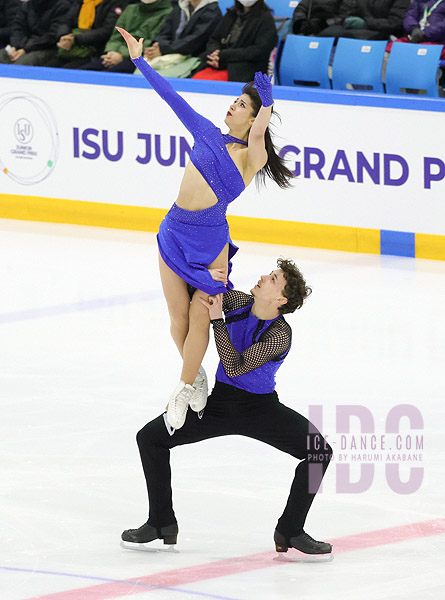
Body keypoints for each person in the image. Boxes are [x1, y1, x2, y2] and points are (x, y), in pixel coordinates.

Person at [116, 26, 293, 430]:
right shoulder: (205, 132)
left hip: (211, 239)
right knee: (177, 319)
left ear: (251, 117)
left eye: (241, 105)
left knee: (201, 317)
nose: (232, 106)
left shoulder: (252, 157)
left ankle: (180, 389)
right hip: (174, 231)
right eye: (235, 100)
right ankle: (195, 376)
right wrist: (140, 61)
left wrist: (267, 105)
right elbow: (171, 97)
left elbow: (262, 133)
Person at [121, 259, 333, 556]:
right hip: (219, 404)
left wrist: (218, 320)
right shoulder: (238, 301)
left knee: (319, 452)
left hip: (261, 410)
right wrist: (207, 278)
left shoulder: (279, 335)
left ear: (280, 300)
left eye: (272, 278)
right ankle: (161, 522)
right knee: (150, 438)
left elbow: (235, 367)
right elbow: (200, 293)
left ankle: (290, 529)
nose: (263, 276)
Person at [193, 0, 278, 82]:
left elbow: (259, 51)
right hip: (220, 63)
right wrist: (214, 54)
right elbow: (214, 39)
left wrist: (223, 56)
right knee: (196, 78)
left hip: (246, 68)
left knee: (208, 82)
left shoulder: (265, 19)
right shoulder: (231, 14)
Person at [81, 0, 173, 73]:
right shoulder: (131, 8)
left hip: (139, 57)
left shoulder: (168, 12)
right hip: (115, 54)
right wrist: (111, 52)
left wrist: (121, 55)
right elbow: (116, 36)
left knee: (111, 74)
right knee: (86, 70)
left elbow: (152, 41)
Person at [141, 0, 222, 78]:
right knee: (141, 70)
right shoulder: (179, 7)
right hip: (170, 53)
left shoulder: (213, 12)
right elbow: (164, 31)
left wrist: (163, 49)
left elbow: (194, 42)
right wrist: (158, 46)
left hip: (194, 58)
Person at [43, 0, 131, 70]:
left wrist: (76, 39)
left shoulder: (116, 3)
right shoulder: (80, 2)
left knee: (67, 73)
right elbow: (65, 21)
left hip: (94, 51)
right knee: (46, 70)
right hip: (69, 48)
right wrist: (64, 36)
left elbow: (107, 30)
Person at [0, 0, 70, 66]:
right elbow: (17, 28)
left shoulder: (62, 6)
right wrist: (16, 46)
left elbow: (52, 36)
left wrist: (25, 49)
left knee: (23, 63)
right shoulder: (28, 5)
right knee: (2, 55)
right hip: (24, 45)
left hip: (48, 47)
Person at [318, 0, 409, 40]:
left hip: (384, 32)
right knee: (326, 34)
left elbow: (396, 22)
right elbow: (353, 10)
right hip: (363, 28)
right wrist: (343, 20)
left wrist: (367, 23)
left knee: (350, 37)